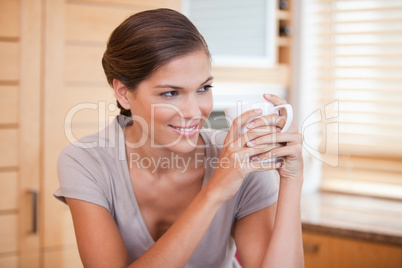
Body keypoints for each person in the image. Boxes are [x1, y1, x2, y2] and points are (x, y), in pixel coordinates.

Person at [54, 8, 304, 268]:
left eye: (203, 88)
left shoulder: (239, 158)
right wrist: (214, 192)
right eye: (171, 93)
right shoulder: (86, 161)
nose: (194, 112)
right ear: (123, 93)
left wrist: (292, 180)